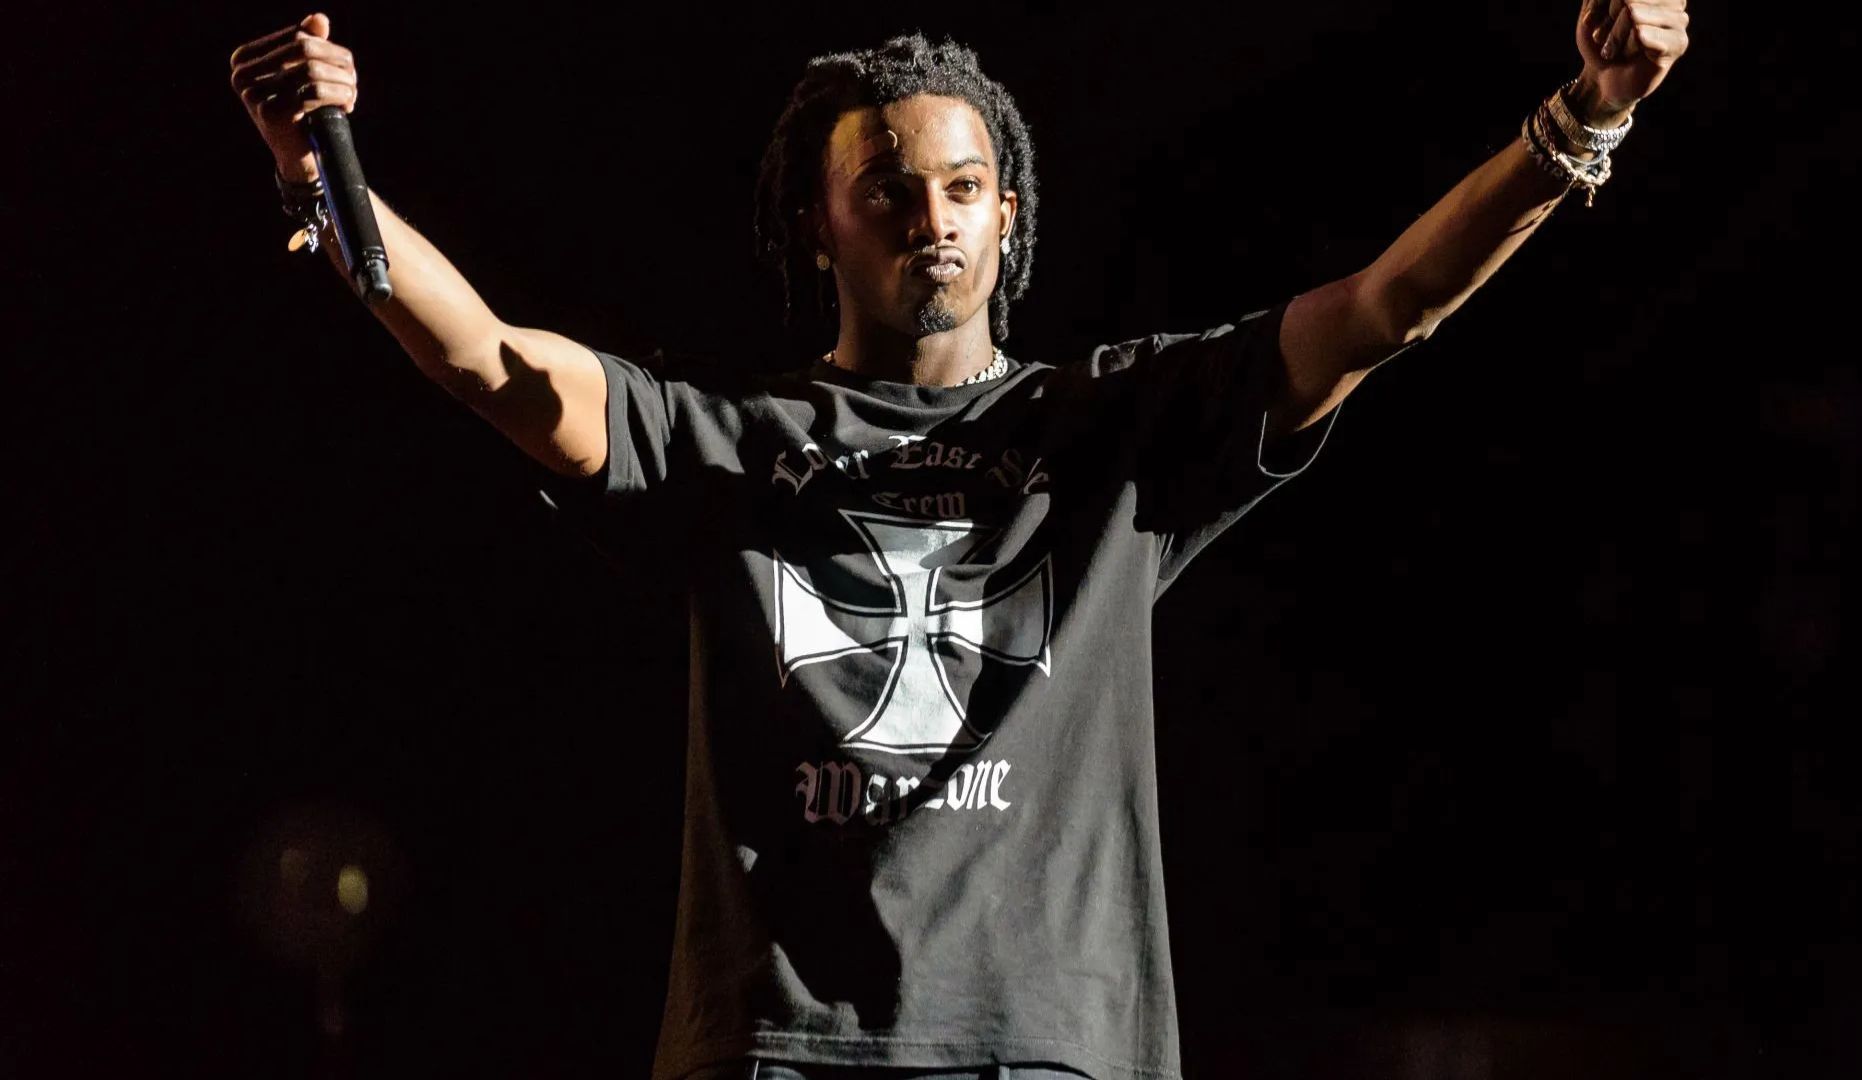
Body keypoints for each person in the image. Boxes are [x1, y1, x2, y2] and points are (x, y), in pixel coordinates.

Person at [227, 7, 1689, 1079]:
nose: (932, 217)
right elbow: (489, 361)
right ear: (820, 225)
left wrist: (1583, 126)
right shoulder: (721, 447)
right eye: (888, 190)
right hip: (782, 1054)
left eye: (964, 186)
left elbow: (1382, 310)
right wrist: (322, 168)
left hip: (1054, 1051)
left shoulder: (1118, 433)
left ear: (1009, 213)